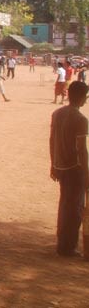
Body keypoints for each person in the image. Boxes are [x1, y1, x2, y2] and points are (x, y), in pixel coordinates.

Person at [49, 80, 89, 257]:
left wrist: (53, 164)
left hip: (61, 166)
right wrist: (86, 173)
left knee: (65, 204)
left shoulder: (57, 113)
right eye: (85, 96)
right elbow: (81, 149)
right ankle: (68, 246)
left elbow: (52, 140)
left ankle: (62, 241)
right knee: (75, 208)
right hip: (75, 168)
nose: (86, 100)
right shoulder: (80, 119)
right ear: (80, 97)